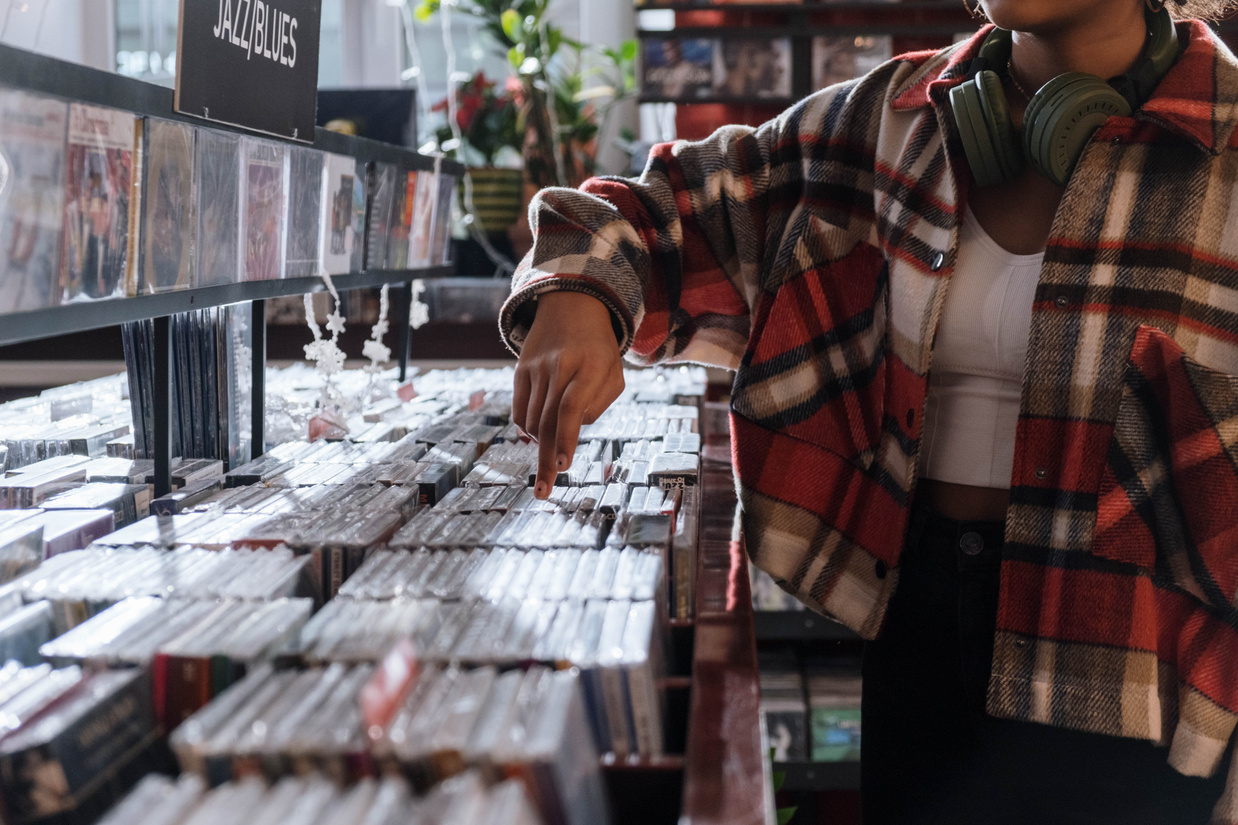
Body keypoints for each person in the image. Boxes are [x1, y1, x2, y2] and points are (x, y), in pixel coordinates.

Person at [501, 0, 1238, 821]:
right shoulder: (887, 120)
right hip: (912, 625)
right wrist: (578, 296)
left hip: (1134, 679)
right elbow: (641, 212)